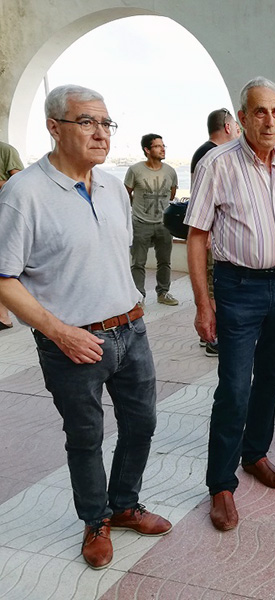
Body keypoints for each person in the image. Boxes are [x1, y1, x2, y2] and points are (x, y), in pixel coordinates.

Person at [0, 84, 171, 569]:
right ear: (55, 128)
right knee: (86, 436)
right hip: (73, 342)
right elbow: (4, 279)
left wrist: (134, 314)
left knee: (142, 424)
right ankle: (95, 519)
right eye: (87, 122)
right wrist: (59, 331)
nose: (101, 134)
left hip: (131, 329)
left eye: (106, 123)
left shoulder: (114, 185)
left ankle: (124, 505)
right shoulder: (24, 194)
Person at [185, 77, 275, 531]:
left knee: (272, 377)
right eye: (260, 111)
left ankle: (255, 453)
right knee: (235, 386)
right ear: (240, 117)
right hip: (239, 287)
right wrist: (204, 304)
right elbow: (197, 236)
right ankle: (221, 484)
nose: (270, 120)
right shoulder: (217, 164)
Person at [190, 108, 241, 357]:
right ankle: (214, 338)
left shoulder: (203, 151)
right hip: (210, 235)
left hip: (209, 233)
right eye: (238, 128)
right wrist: (207, 232)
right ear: (228, 127)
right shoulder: (211, 155)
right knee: (212, 286)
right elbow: (201, 202)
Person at [125, 134, 179, 307]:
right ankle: (138, 297)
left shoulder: (170, 171)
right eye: (157, 146)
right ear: (147, 150)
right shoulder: (135, 170)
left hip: (164, 225)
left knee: (164, 261)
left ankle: (163, 292)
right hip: (140, 223)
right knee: (138, 263)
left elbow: (171, 195)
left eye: (163, 145)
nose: (163, 149)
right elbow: (126, 194)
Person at [0, 141, 24, 330]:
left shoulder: (6, 150)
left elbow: (20, 184)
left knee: (4, 267)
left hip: (4, 215)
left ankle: (3, 317)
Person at [190, 108, 241, 175]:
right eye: (235, 127)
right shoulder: (216, 155)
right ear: (228, 128)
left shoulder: (202, 152)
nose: (238, 132)